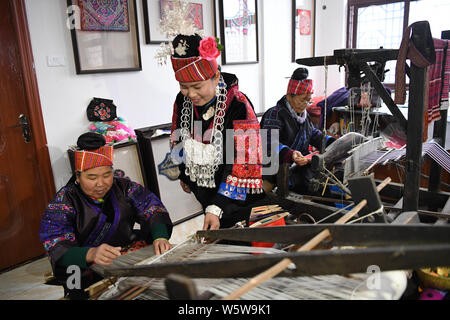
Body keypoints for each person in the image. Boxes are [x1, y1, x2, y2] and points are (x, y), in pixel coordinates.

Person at [39, 132, 173, 298]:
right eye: (92, 177)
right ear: (78, 177)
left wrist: (160, 236)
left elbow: (152, 208)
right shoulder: (64, 201)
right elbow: (55, 241)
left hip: (123, 250)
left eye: (107, 175)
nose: (100, 183)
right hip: (82, 263)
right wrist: (91, 254)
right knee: (73, 275)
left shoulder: (124, 187)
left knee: (158, 262)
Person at [166, 33, 264, 230]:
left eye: (197, 86)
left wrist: (218, 206)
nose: (191, 94)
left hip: (237, 196)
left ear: (216, 76)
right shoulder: (182, 99)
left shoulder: (238, 105)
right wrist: (184, 174)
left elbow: (244, 163)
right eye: (184, 86)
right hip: (205, 191)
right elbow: (177, 134)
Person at [260, 67, 335, 194]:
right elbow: (268, 143)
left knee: (322, 189)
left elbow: (313, 134)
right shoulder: (275, 114)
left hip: (299, 169)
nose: (305, 104)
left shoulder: (303, 116)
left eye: (308, 100)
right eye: (302, 99)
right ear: (289, 96)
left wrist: (332, 142)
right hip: (278, 172)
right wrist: (290, 154)